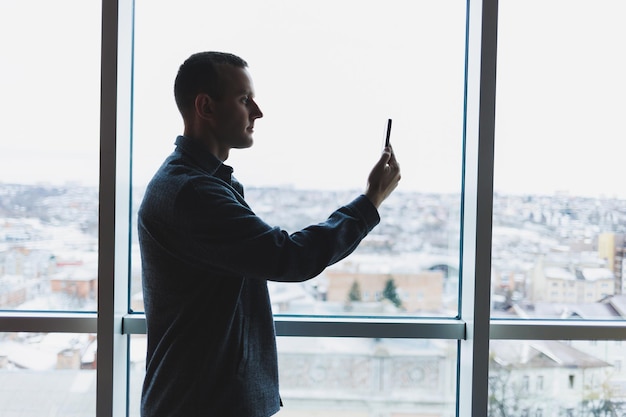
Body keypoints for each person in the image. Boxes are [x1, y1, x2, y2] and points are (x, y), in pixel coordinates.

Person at [138, 51, 401, 417]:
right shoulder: (193, 193)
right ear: (205, 106)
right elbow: (289, 257)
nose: (257, 112)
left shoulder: (201, 185)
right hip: (200, 403)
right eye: (245, 99)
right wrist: (370, 202)